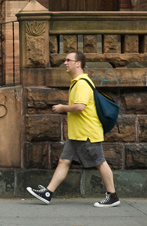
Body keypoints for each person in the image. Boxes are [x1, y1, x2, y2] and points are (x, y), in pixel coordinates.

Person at [26, 51, 120, 207]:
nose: (65, 63)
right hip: (77, 134)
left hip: (87, 133)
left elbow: (80, 106)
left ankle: (113, 196)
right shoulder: (77, 81)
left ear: (78, 63)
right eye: (65, 60)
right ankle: (48, 193)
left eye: (68, 60)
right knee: (64, 161)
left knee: (100, 162)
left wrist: (62, 107)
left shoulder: (82, 83)